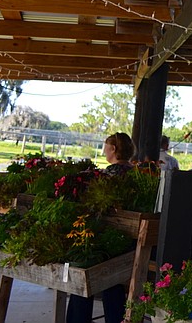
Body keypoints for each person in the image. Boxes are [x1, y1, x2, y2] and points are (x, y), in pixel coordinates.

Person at [66, 132, 135, 323]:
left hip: (107, 238)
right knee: (111, 281)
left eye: (106, 146)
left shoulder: (110, 174)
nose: (104, 149)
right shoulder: (134, 172)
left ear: (113, 149)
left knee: (83, 271)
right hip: (127, 239)